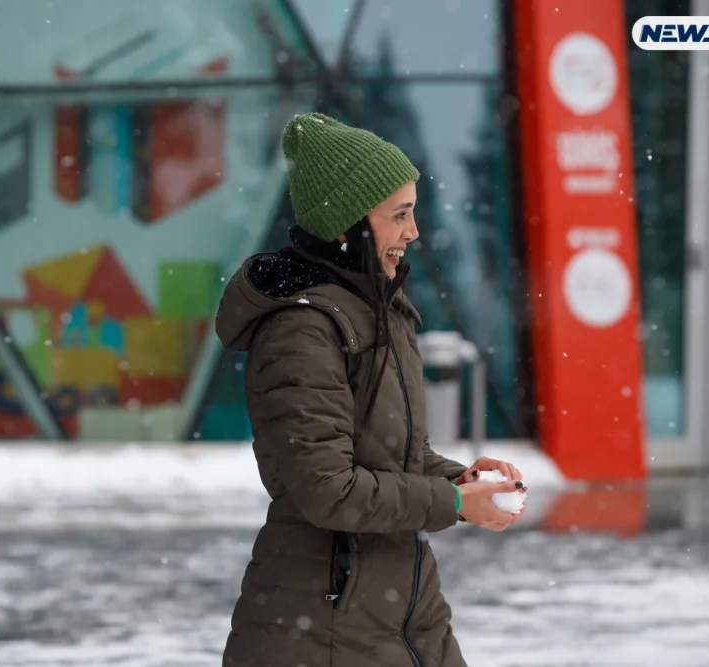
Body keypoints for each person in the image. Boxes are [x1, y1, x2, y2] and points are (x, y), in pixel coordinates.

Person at [214, 112, 526, 667]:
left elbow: (396, 457)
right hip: (323, 623)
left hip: (404, 604)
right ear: (347, 225)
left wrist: (461, 481)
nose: (414, 232)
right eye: (399, 215)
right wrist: (453, 502)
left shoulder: (382, 309)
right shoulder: (302, 330)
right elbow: (328, 489)